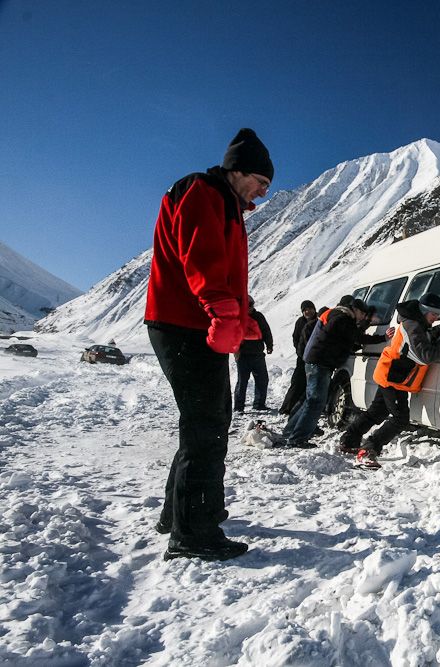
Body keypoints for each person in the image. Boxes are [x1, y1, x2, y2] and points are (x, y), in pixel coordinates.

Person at [144, 128, 273, 562]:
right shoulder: (204, 191)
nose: (263, 191)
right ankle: (193, 533)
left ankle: (182, 514)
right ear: (238, 170)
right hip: (184, 323)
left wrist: (240, 322)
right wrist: (221, 310)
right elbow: (200, 258)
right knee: (206, 426)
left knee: (209, 418)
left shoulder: (228, 203)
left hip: (193, 323)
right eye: (261, 181)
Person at [340, 292, 440, 470]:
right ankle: (369, 449)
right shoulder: (412, 325)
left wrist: (438, 330)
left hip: (393, 375)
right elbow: (425, 355)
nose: (435, 318)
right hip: (394, 377)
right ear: (424, 311)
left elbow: (422, 339)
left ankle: (349, 440)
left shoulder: (416, 323)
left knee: (377, 412)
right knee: (401, 418)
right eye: (434, 314)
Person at [282, 297, 385, 447]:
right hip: (321, 363)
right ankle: (297, 439)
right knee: (316, 402)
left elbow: (346, 339)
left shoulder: (336, 315)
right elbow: (356, 337)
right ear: (355, 310)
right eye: (362, 314)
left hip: (315, 361)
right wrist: (382, 337)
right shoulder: (342, 319)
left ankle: (290, 432)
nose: (363, 317)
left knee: (311, 401)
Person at [234, 296, 274, 412]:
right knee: (242, 382)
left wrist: (269, 345)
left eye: (250, 305)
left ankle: (259, 404)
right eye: (246, 306)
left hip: (257, 354)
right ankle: (238, 407)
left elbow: (266, 331)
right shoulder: (239, 318)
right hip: (243, 355)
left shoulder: (258, 317)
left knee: (262, 380)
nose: (249, 308)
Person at [279, 300, 317, 415]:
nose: (307, 311)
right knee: (297, 382)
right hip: (302, 358)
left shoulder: (319, 321)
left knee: (313, 384)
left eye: (310, 309)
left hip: (316, 358)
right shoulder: (300, 322)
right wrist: (300, 352)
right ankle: (287, 408)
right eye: (305, 310)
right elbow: (295, 338)